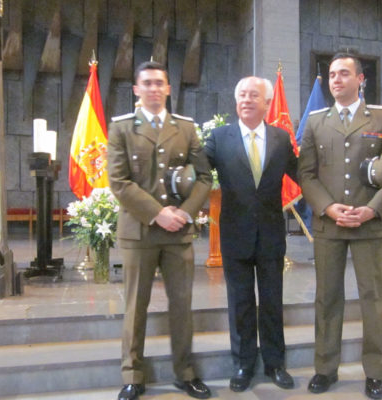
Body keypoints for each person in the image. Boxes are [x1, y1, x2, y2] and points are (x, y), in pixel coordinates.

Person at [298, 50, 382, 399]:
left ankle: (375, 372)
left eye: (344, 74)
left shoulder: (381, 118)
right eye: (331, 75)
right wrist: (328, 208)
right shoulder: (316, 121)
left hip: (368, 226)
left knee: (372, 298)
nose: (336, 80)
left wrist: (372, 210)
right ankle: (325, 368)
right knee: (327, 299)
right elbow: (306, 174)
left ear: (361, 79)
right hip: (330, 226)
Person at [107, 61, 212, 400]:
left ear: (169, 89)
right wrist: (158, 213)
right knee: (136, 304)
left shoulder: (185, 128)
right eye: (147, 83)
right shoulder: (122, 128)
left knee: (182, 304)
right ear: (136, 90)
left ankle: (185, 372)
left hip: (178, 231)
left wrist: (183, 213)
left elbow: (204, 177)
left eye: (159, 83)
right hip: (139, 231)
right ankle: (133, 375)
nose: (154, 89)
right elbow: (119, 182)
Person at [204, 76, 298, 392]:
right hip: (234, 235)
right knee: (240, 302)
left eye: (254, 95)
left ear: (266, 103)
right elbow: (197, 172)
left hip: (271, 235)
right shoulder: (219, 138)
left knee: (272, 301)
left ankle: (275, 364)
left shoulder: (281, 139)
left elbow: (303, 175)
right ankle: (243, 364)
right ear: (236, 101)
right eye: (241, 94)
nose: (246, 99)